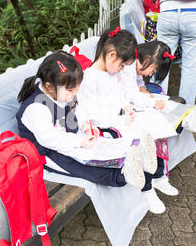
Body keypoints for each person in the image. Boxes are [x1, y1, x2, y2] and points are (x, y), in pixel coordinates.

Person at [16, 50, 154, 193]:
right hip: (48, 153)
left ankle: (139, 156)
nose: (74, 94)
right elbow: (49, 139)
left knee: (106, 142)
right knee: (83, 167)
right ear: (50, 87)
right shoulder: (36, 108)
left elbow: (76, 108)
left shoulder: (63, 92)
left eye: (77, 89)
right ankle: (123, 175)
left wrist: (86, 124)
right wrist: (79, 142)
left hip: (72, 138)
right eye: (71, 90)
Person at [77, 27, 174, 214]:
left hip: (119, 120)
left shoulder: (113, 73)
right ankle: (147, 190)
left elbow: (120, 96)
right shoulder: (90, 78)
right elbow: (91, 113)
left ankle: (156, 175)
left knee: (151, 126)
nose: (122, 70)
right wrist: (120, 119)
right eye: (122, 65)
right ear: (112, 55)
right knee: (137, 139)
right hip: (103, 127)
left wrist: (126, 108)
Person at [120, 39, 196, 193]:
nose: (152, 74)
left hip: (134, 105)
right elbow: (131, 94)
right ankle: (188, 121)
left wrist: (143, 89)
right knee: (160, 114)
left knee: (164, 107)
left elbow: (137, 84)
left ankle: (190, 119)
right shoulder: (128, 66)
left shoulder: (134, 65)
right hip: (128, 109)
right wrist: (151, 102)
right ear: (146, 59)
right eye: (152, 70)